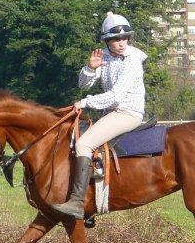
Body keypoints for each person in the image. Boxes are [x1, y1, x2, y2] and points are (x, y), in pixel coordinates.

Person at [50, 12, 147, 219]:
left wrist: (84, 103)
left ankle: (77, 202)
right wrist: (90, 68)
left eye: (124, 38)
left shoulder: (132, 61)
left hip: (127, 113)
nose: (121, 43)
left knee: (83, 145)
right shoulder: (105, 57)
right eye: (115, 39)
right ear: (107, 41)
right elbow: (83, 85)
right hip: (110, 113)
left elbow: (115, 96)